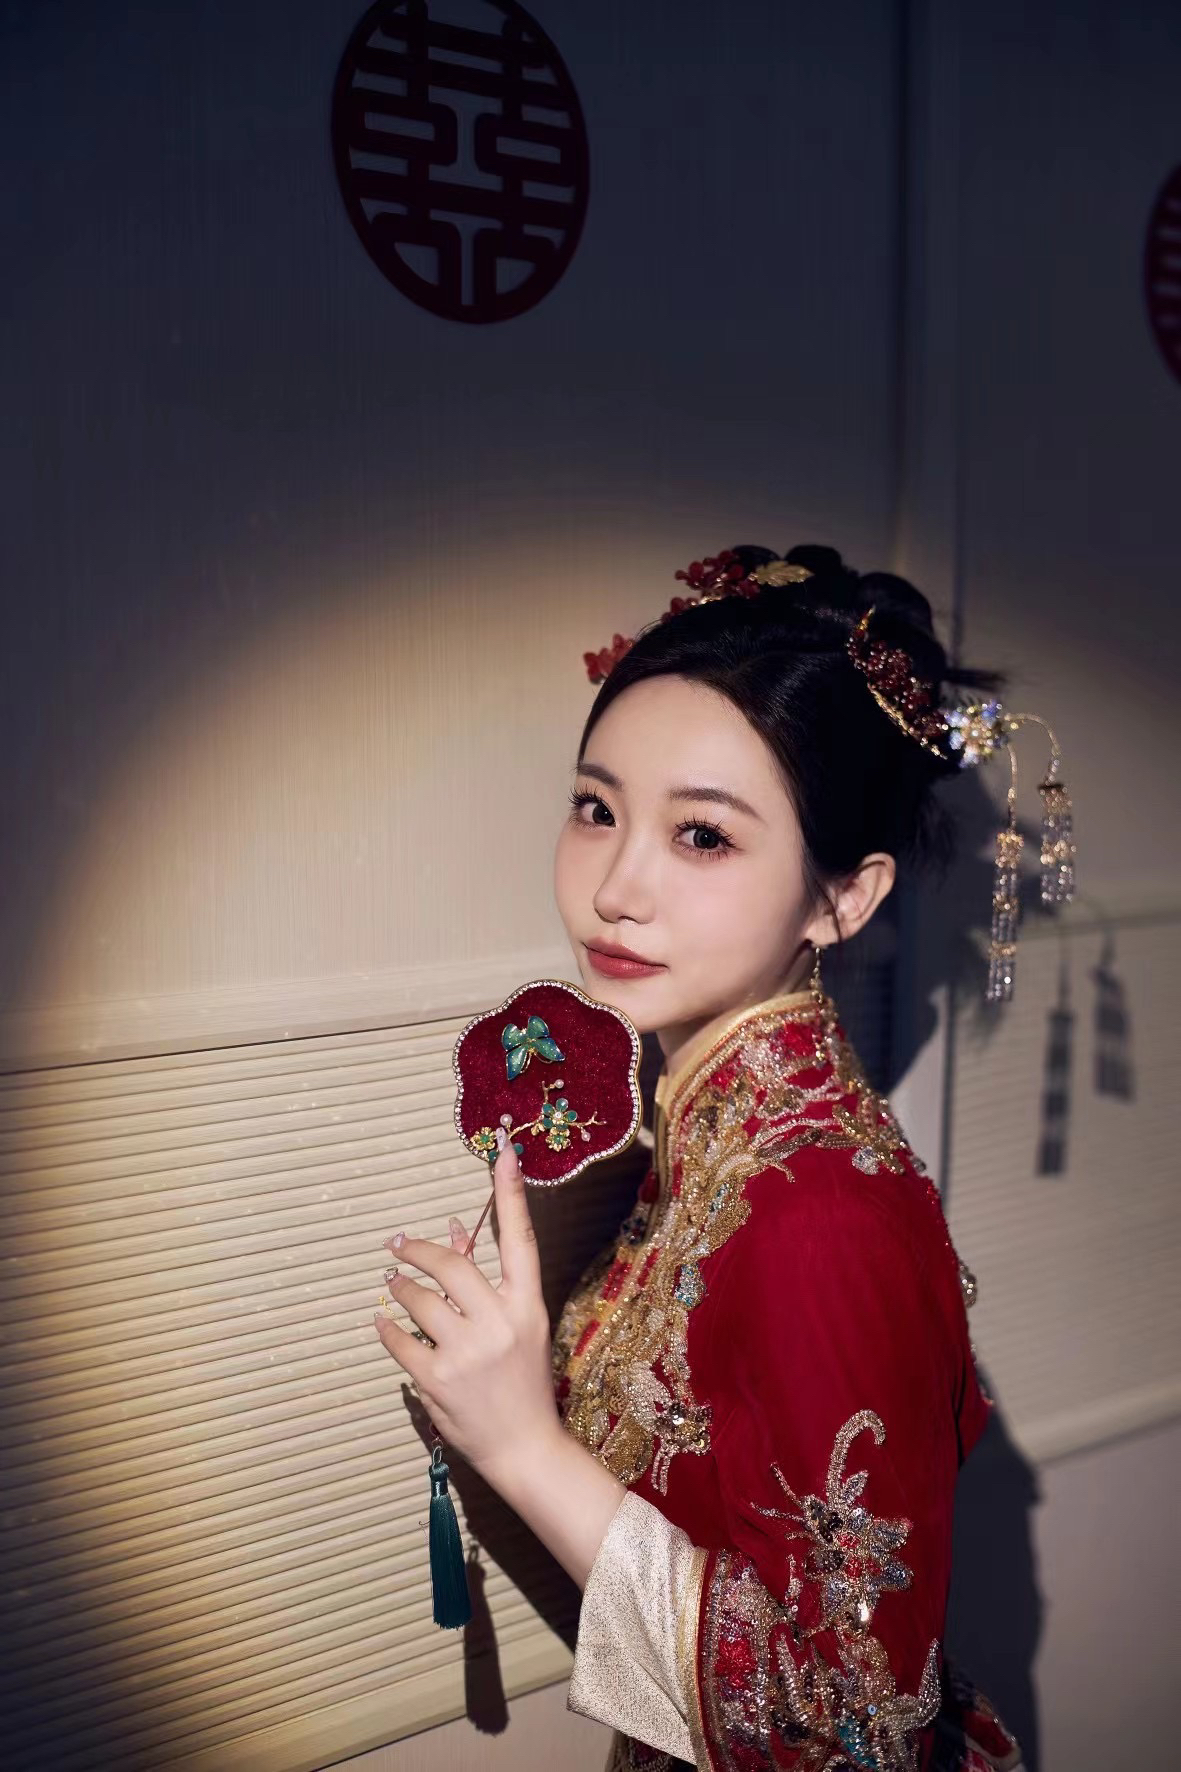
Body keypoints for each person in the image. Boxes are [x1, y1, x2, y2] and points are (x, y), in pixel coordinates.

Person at [373, 544, 1038, 1771]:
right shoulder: (707, 1131)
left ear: (842, 898)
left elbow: (848, 1730)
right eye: (596, 808)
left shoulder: (816, 1208)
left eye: (701, 835)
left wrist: (520, 1442)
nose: (614, 887)